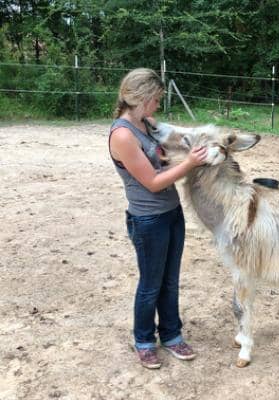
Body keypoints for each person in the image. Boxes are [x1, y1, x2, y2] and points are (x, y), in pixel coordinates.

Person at [108, 68, 207, 369]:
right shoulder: (123, 135)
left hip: (171, 213)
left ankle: (171, 334)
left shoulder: (146, 123)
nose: (158, 105)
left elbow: (171, 143)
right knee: (151, 284)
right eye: (156, 99)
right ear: (141, 98)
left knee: (170, 281)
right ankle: (144, 341)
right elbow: (152, 182)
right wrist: (190, 163)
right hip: (148, 220)